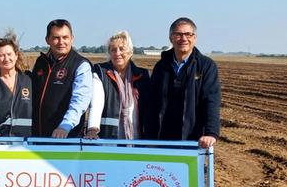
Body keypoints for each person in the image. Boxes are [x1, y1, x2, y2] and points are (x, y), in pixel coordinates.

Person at [146, 17, 220, 147]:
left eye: (188, 34)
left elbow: (211, 100)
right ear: (171, 38)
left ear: (194, 38)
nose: (183, 39)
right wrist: (148, 135)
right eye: (178, 34)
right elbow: (151, 103)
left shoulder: (206, 66)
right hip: (162, 138)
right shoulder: (161, 66)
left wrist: (211, 132)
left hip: (193, 139)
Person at [31, 19, 92, 138]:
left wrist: (65, 125)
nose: (61, 42)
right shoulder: (41, 62)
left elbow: (80, 101)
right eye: (56, 38)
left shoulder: (80, 65)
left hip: (66, 138)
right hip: (38, 137)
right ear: (47, 40)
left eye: (65, 37)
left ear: (72, 38)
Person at [84, 30, 150, 139]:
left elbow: (149, 109)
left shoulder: (142, 75)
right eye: (113, 50)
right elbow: (96, 103)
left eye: (122, 49)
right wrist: (92, 129)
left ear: (130, 52)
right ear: (109, 53)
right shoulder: (100, 72)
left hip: (137, 139)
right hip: (109, 139)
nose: (117, 53)